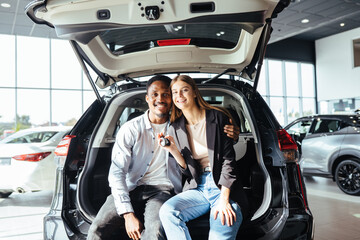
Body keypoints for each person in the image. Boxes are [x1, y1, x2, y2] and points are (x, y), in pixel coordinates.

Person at [87, 75, 240, 240]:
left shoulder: (178, 126)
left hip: (163, 190)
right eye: (155, 94)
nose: (160, 99)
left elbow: (218, 149)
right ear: (147, 98)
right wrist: (127, 214)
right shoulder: (131, 129)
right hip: (131, 187)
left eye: (166, 94)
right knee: (97, 229)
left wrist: (234, 134)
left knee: (155, 231)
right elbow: (117, 173)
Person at [158, 75, 249, 240]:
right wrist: (173, 150)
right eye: (175, 92)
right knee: (167, 211)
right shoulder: (175, 127)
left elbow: (228, 161)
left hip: (222, 187)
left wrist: (224, 200)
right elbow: (186, 170)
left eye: (184, 90)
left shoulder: (217, 117)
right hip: (198, 187)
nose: (179, 96)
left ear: (194, 92)